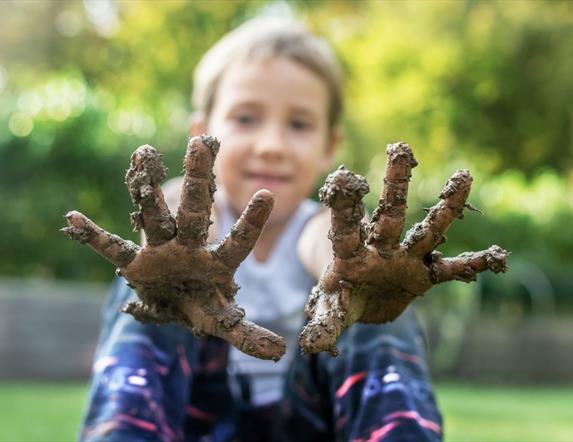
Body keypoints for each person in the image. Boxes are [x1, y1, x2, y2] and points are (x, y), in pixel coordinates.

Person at [79, 17, 443, 441]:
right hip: (202, 420)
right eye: (246, 118)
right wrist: (181, 251)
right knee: (156, 280)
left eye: (299, 124)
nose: (271, 144)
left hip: (308, 423)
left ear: (329, 145)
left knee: (364, 283)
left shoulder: (323, 224)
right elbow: (180, 204)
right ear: (202, 133)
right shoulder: (195, 215)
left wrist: (347, 267)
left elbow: (327, 239)